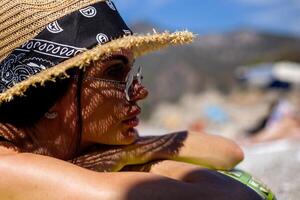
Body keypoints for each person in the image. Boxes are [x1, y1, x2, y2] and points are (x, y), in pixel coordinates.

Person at [0, 0, 272, 199]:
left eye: (132, 74)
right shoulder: (7, 168)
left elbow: (228, 151)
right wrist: (133, 159)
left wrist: (125, 152)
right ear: (45, 95)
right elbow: (234, 196)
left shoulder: (69, 143)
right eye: (115, 72)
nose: (140, 91)